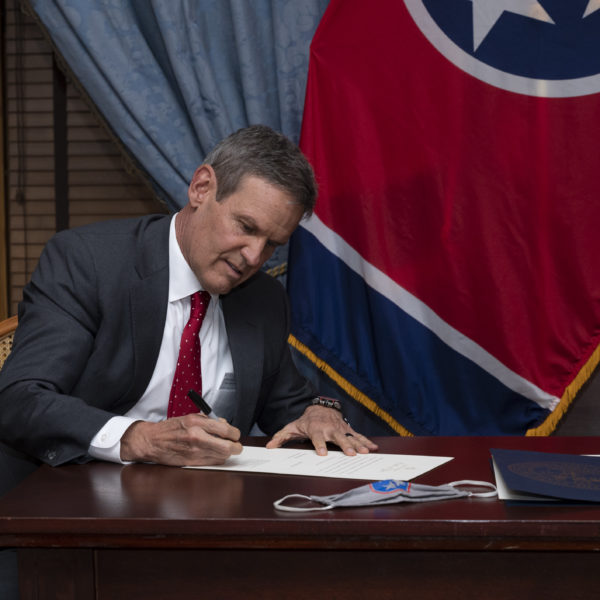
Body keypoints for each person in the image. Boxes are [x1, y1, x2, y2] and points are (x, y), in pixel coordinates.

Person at [0, 124, 378, 472]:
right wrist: (138, 438)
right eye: (246, 227)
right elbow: (20, 397)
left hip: (204, 510)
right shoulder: (89, 262)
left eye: (272, 245)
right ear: (201, 188)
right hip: (70, 497)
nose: (253, 257)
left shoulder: (263, 298)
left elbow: (289, 404)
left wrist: (318, 411)